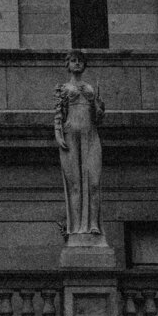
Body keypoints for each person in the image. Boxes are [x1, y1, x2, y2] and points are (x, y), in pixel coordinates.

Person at [54, 49, 105, 237]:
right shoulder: (64, 88)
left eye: (80, 61)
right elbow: (58, 114)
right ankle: (76, 228)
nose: (77, 64)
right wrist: (58, 135)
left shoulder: (90, 89)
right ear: (67, 64)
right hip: (70, 134)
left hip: (90, 135)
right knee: (74, 184)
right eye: (73, 60)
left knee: (94, 182)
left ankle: (93, 224)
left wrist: (98, 106)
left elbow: (98, 117)